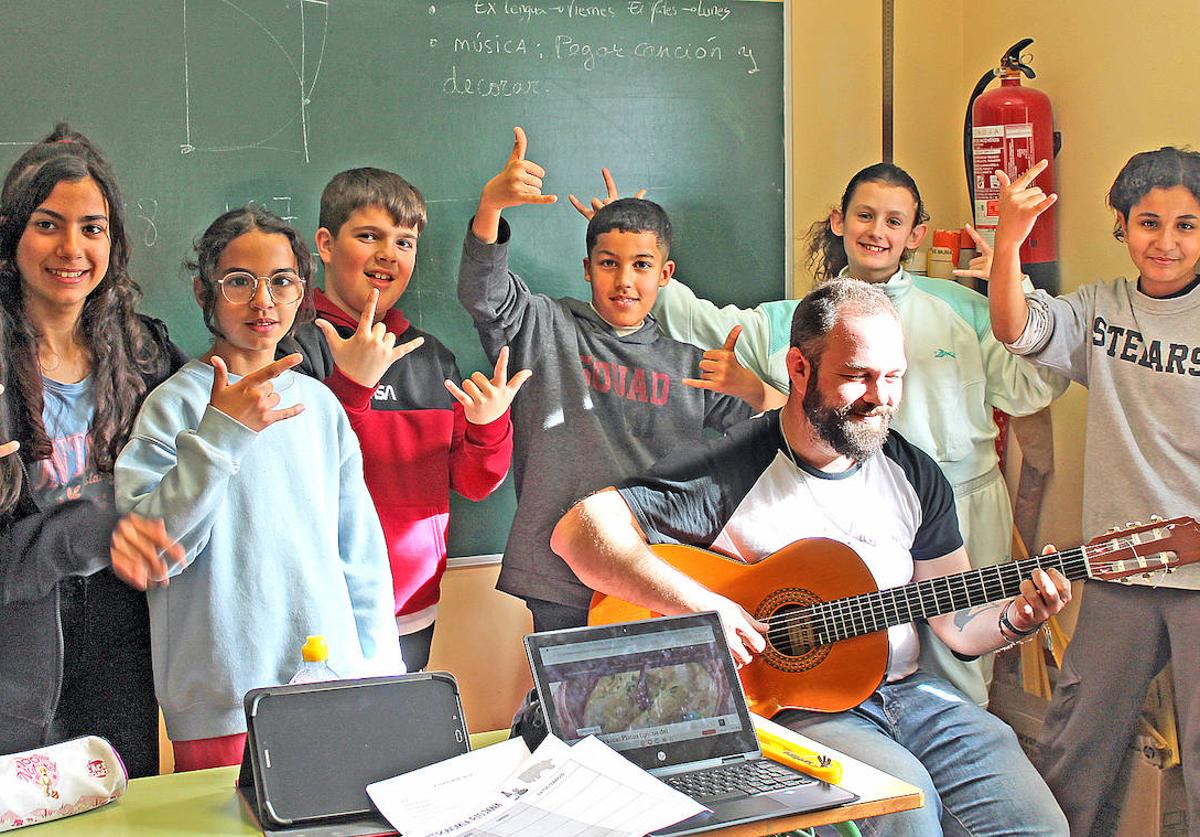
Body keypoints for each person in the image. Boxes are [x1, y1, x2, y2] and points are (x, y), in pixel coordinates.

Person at [551, 280, 1071, 836]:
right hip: (795, 709)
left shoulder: (915, 473)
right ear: (799, 369)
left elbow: (958, 625)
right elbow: (577, 533)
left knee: (1037, 825)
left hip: (912, 694)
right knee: (905, 815)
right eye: (857, 376)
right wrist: (703, 605)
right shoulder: (732, 465)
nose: (882, 397)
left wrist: (1018, 619)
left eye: (893, 377)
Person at [580, 163, 1068, 706]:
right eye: (864, 214)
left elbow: (1032, 385)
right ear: (839, 220)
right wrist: (632, 254)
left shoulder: (961, 309)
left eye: (893, 220)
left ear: (917, 235)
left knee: (957, 681)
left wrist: (1010, 268)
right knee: (854, 666)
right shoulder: (800, 321)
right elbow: (703, 324)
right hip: (835, 518)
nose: (876, 231)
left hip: (958, 506)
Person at [115, 206, 401, 772]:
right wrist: (223, 433)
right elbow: (153, 549)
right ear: (205, 291)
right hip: (224, 701)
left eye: (281, 282)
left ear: (301, 292)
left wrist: (383, 675)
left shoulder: (318, 405)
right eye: (239, 282)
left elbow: (359, 555)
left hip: (334, 686)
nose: (262, 301)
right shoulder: (174, 405)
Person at [457, 128, 756, 633]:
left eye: (641, 265)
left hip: (659, 576)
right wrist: (491, 209)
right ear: (586, 269)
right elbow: (485, 296)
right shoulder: (546, 328)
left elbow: (776, 434)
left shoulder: (690, 365)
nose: (624, 281)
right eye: (608, 264)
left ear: (665, 274)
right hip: (559, 578)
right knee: (575, 708)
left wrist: (751, 387)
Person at [989, 149, 1200, 835]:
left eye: (1186, 225)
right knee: (1078, 742)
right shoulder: (1102, 307)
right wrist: (1009, 243)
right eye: (1149, 222)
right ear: (1122, 224)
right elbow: (1015, 327)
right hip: (1120, 568)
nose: (1165, 242)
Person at [280, 168, 526, 672]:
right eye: (369, 236)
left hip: (412, 605)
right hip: (318, 607)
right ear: (324, 244)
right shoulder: (292, 348)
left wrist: (488, 425)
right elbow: (294, 477)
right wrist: (350, 387)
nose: (388, 254)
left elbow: (476, 483)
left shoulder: (430, 357)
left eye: (405, 242)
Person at [0, 150, 186, 775]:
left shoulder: (144, 353)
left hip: (122, 652)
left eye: (92, 228)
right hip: (13, 665)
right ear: (13, 233)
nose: (71, 248)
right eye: (47, 224)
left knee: (122, 806)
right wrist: (92, 525)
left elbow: (227, 403)